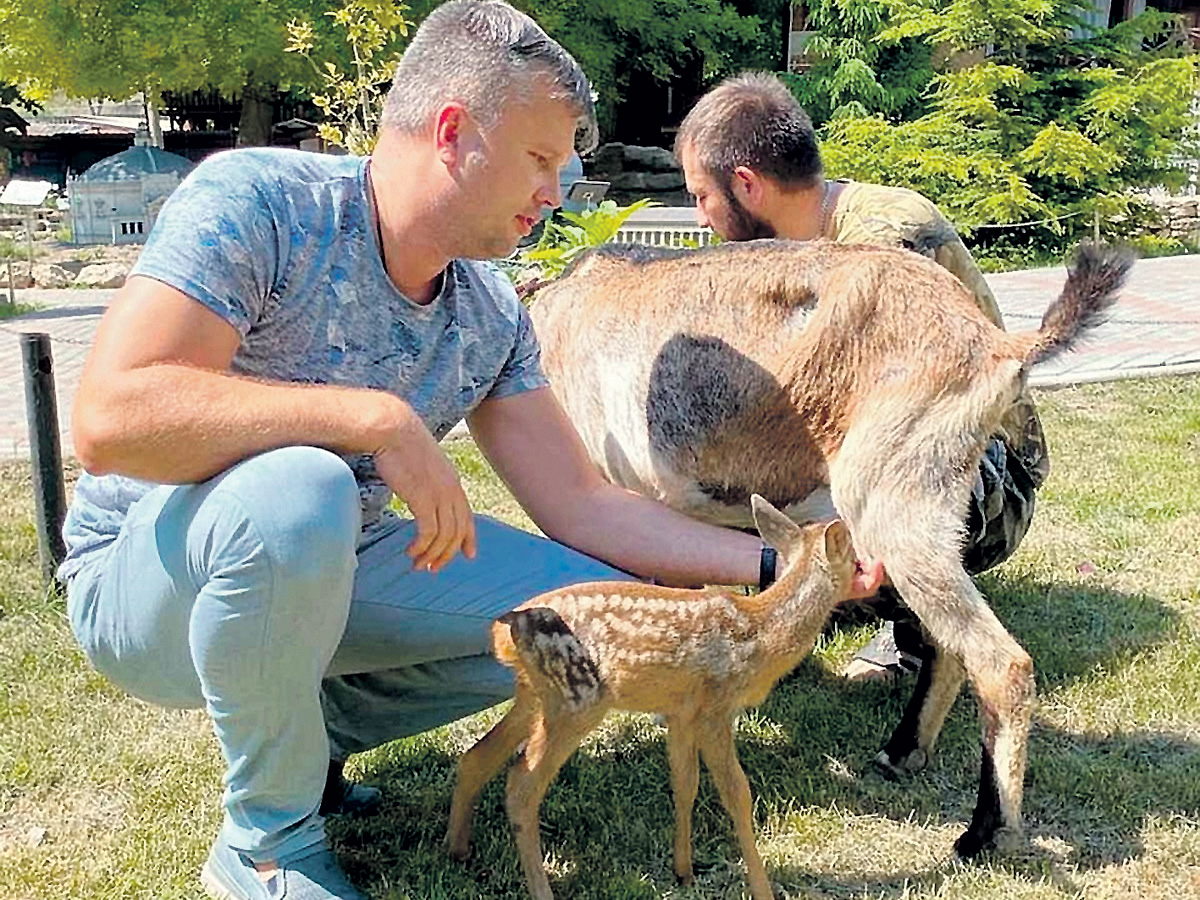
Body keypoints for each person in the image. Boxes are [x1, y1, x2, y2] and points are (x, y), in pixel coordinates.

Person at [60, 9, 883, 900]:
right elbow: (110, 418)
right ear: (453, 133)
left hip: (325, 566)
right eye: (539, 160)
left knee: (574, 621)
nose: (557, 191)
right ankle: (267, 843)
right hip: (144, 586)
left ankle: (307, 742)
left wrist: (789, 563)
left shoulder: (485, 309)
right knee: (302, 485)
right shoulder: (263, 204)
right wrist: (372, 419)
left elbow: (583, 505)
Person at [673, 71, 1047, 682]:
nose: (699, 218)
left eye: (700, 196)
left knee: (854, 488)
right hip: (861, 445)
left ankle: (927, 629)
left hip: (985, 470)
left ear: (746, 185)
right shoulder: (779, 254)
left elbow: (897, 419)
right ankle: (803, 606)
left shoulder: (887, 240)